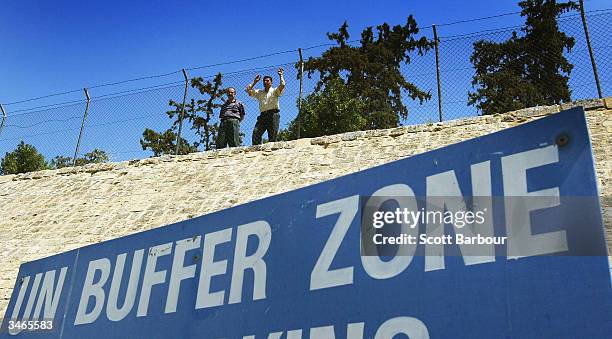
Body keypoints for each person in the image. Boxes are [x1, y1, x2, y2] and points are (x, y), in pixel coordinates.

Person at [245, 67, 285, 144]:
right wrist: (255, 81)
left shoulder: (275, 90)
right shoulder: (259, 92)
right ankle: (256, 151)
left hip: (273, 114)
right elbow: (247, 90)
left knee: (272, 136)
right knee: (256, 133)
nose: (265, 82)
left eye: (267, 80)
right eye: (264, 81)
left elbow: (282, 85)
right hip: (263, 115)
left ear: (271, 82)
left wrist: (281, 75)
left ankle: (271, 153)